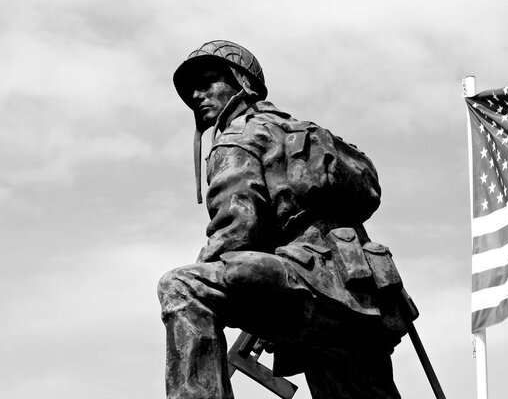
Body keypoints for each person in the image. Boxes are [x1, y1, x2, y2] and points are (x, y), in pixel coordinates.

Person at [157, 40, 417, 399]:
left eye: (208, 82)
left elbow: (236, 233)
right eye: (191, 91)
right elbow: (368, 195)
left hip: (309, 285)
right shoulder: (308, 131)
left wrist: (232, 276)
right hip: (366, 296)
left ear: (240, 81)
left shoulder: (237, 137)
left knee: (185, 286)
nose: (197, 95)